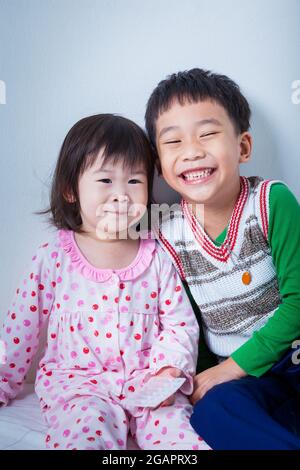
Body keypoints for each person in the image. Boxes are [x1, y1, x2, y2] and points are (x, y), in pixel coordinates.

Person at [0, 114, 210, 450]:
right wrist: (5, 381)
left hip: (148, 385)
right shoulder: (55, 257)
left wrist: (169, 371)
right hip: (79, 388)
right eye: (105, 181)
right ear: (71, 189)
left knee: (180, 438)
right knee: (86, 433)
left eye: (134, 181)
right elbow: (21, 327)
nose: (121, 195)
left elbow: (179, 325)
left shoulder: (156, 255)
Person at [145, 68, 300, 449]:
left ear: (243, 147)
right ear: (160, 164)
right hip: (242, 384)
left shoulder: (270, 202)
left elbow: (298, 301)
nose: (192, 151)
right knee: (212, 412)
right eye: (173, 141)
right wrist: (199, 376)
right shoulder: (168, 234)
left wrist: (232, 367)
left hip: (291, 357)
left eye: (208, 134)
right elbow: (186, 321)